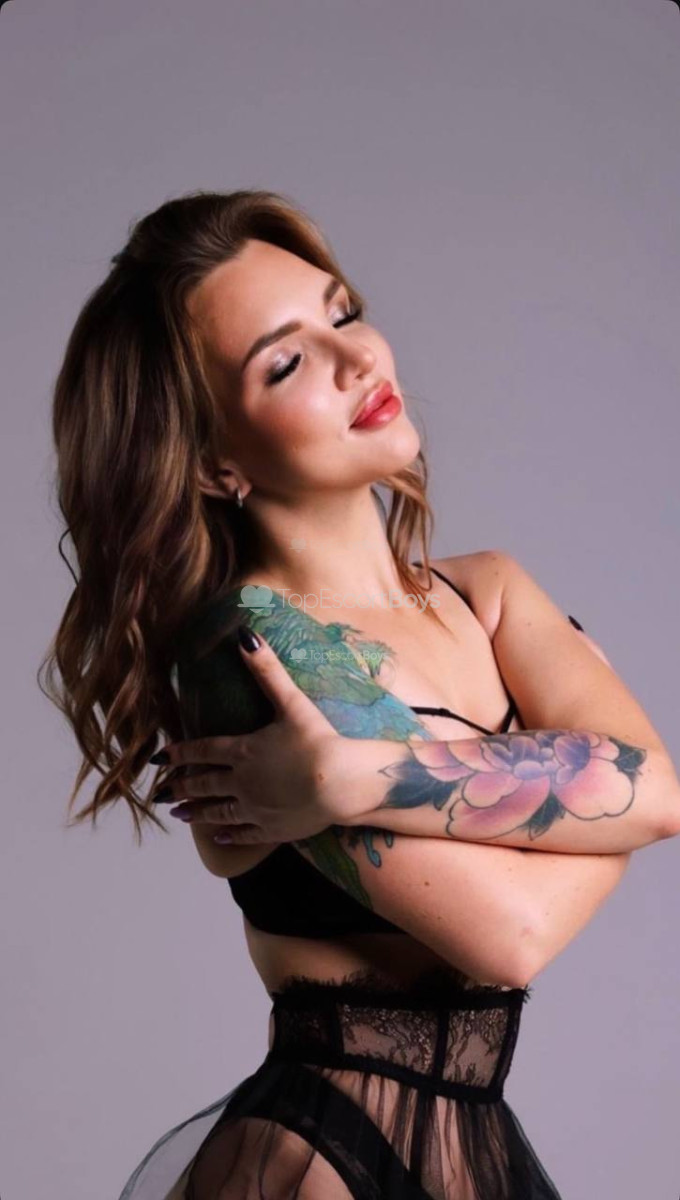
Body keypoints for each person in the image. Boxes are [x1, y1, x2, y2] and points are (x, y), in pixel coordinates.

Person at [39, 188, 680, 1199]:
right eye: (285, 362)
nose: (357, 360)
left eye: (342, 314)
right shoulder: (253, 654)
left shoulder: (487, 593)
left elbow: (661, 794)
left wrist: (354, 778)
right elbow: (510, 935)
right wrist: (595, 798)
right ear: (211, 461)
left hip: (468, 1146)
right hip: (320, 1160)